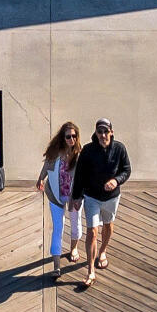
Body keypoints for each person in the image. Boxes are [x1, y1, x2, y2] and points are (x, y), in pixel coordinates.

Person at [74, 118, 130, 286]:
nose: (103, 135)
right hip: (91, 197)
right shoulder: (88, 150)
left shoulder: (119, 149)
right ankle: (90, 270)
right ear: (96, 133)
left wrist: (116, 180)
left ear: (111, 132)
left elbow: (126, 170)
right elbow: (79, 175)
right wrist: (76, 196)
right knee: (92, 231)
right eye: (100, 132)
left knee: (108, 225)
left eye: (106, 131)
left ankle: (103, 251)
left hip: (112, 197)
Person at [39, 121, 81, 271]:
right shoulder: (55, 153)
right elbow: (46, 166)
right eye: (68, 136)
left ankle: (73, 248)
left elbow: (82, 177)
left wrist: (79, 197)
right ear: (62, 138)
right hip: (56, 196)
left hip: (73, 197)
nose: (71, 139)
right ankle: (56, 266)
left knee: (75, 227)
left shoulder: (79, 155)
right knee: (58, 228)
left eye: (74, 136)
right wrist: (40, 179)